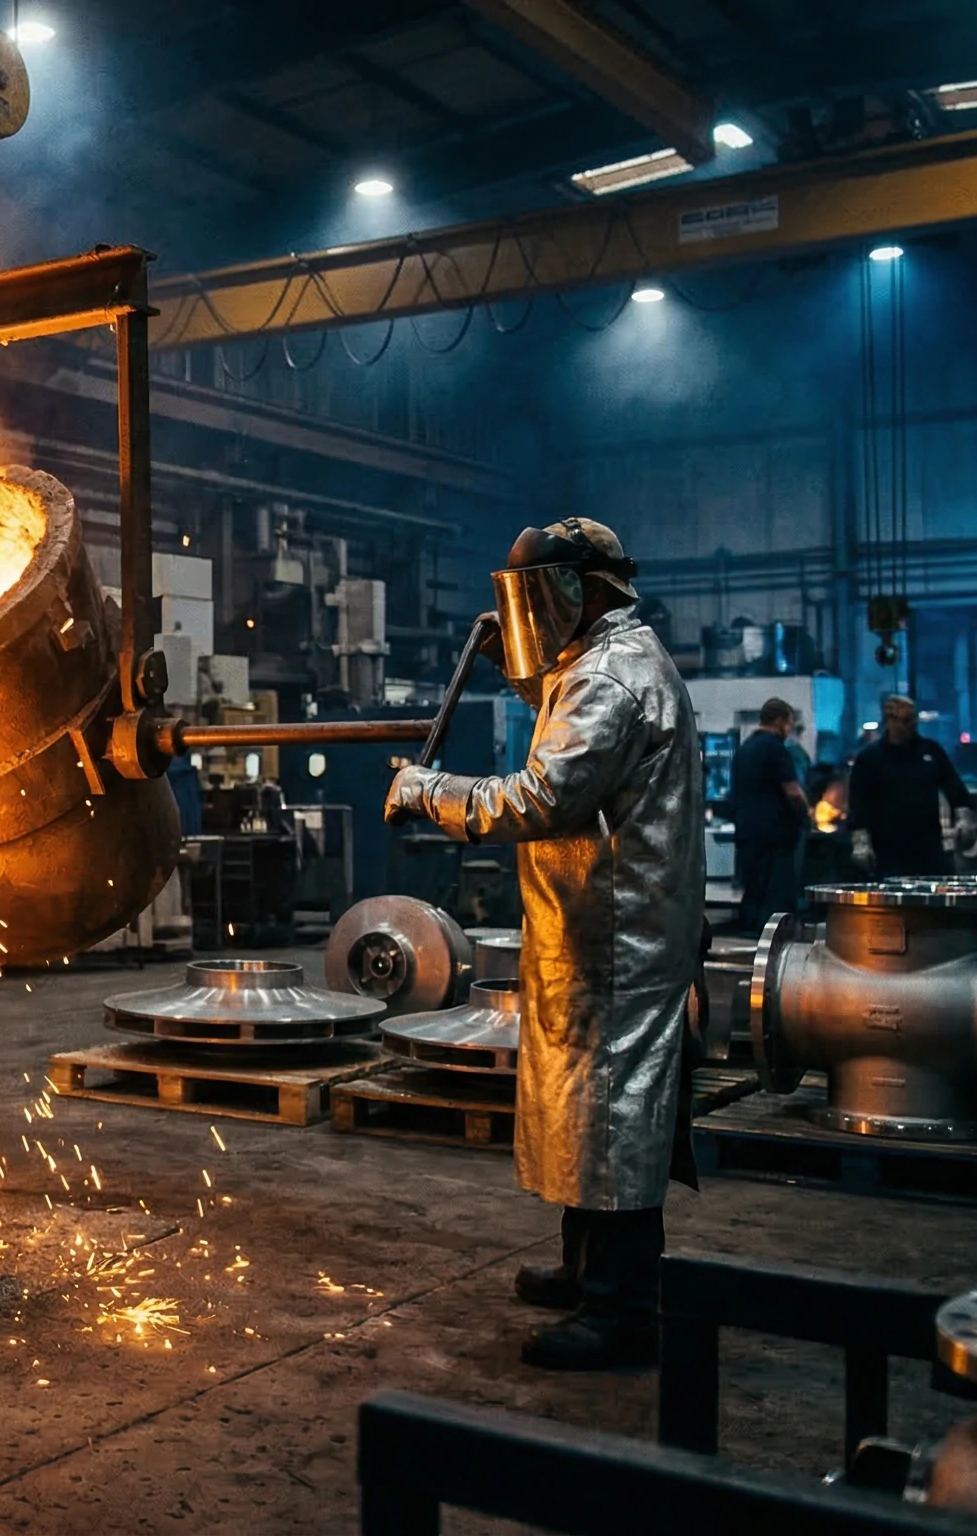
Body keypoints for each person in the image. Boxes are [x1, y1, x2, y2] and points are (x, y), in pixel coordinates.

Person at [386, 517, 703, 1371]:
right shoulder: (602, 665)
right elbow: (574, 736)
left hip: (616, 944)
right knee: (588, 1118)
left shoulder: (609, 676)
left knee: (614, 1125)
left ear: (578, 593)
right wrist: (515, 672)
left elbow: (539, 797)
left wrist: (429, 792)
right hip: (596, 931)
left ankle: (622, 1312)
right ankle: (584, 1272)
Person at [845, 694, 977, 878]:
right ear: (890, 721)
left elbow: (953, 785)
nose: (909, 726)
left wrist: (964, 817)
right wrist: (860, 842)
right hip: (888, 848)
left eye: (912, 720)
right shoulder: (870, 758)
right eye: (904, 721)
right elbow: (858, 802)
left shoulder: (931, 750)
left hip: (930, 845)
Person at [727, 699, 810, 933]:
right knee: (776, 894)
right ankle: (773, 941)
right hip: (775, 837)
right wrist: (806, 815)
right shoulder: (775, 749)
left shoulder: (744, 749)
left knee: (753, 891)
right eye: (790, 724)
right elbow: (793, 792)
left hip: (747, 832)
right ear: (780, 721)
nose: (790, 730)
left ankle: (750, 938)